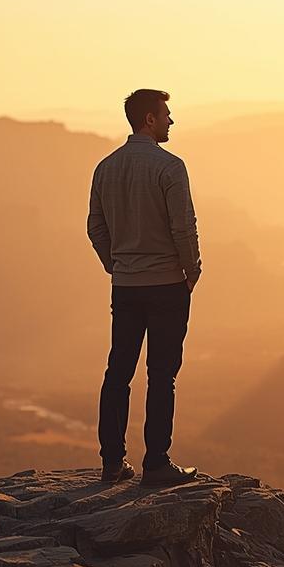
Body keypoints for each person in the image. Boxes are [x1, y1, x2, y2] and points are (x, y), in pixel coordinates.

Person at [87, 88, 203, 486]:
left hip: (126, 285)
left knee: (118, 370)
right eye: (167, 114)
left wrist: (115, 265)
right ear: (150, 120)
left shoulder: (106, 168)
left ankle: (111, 462)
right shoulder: (170, 167)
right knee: (161, 375)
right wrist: (192, 269)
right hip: (168, 283)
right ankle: (156, 464)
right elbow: (182, 226)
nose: (171, 121)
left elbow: (95, 227)